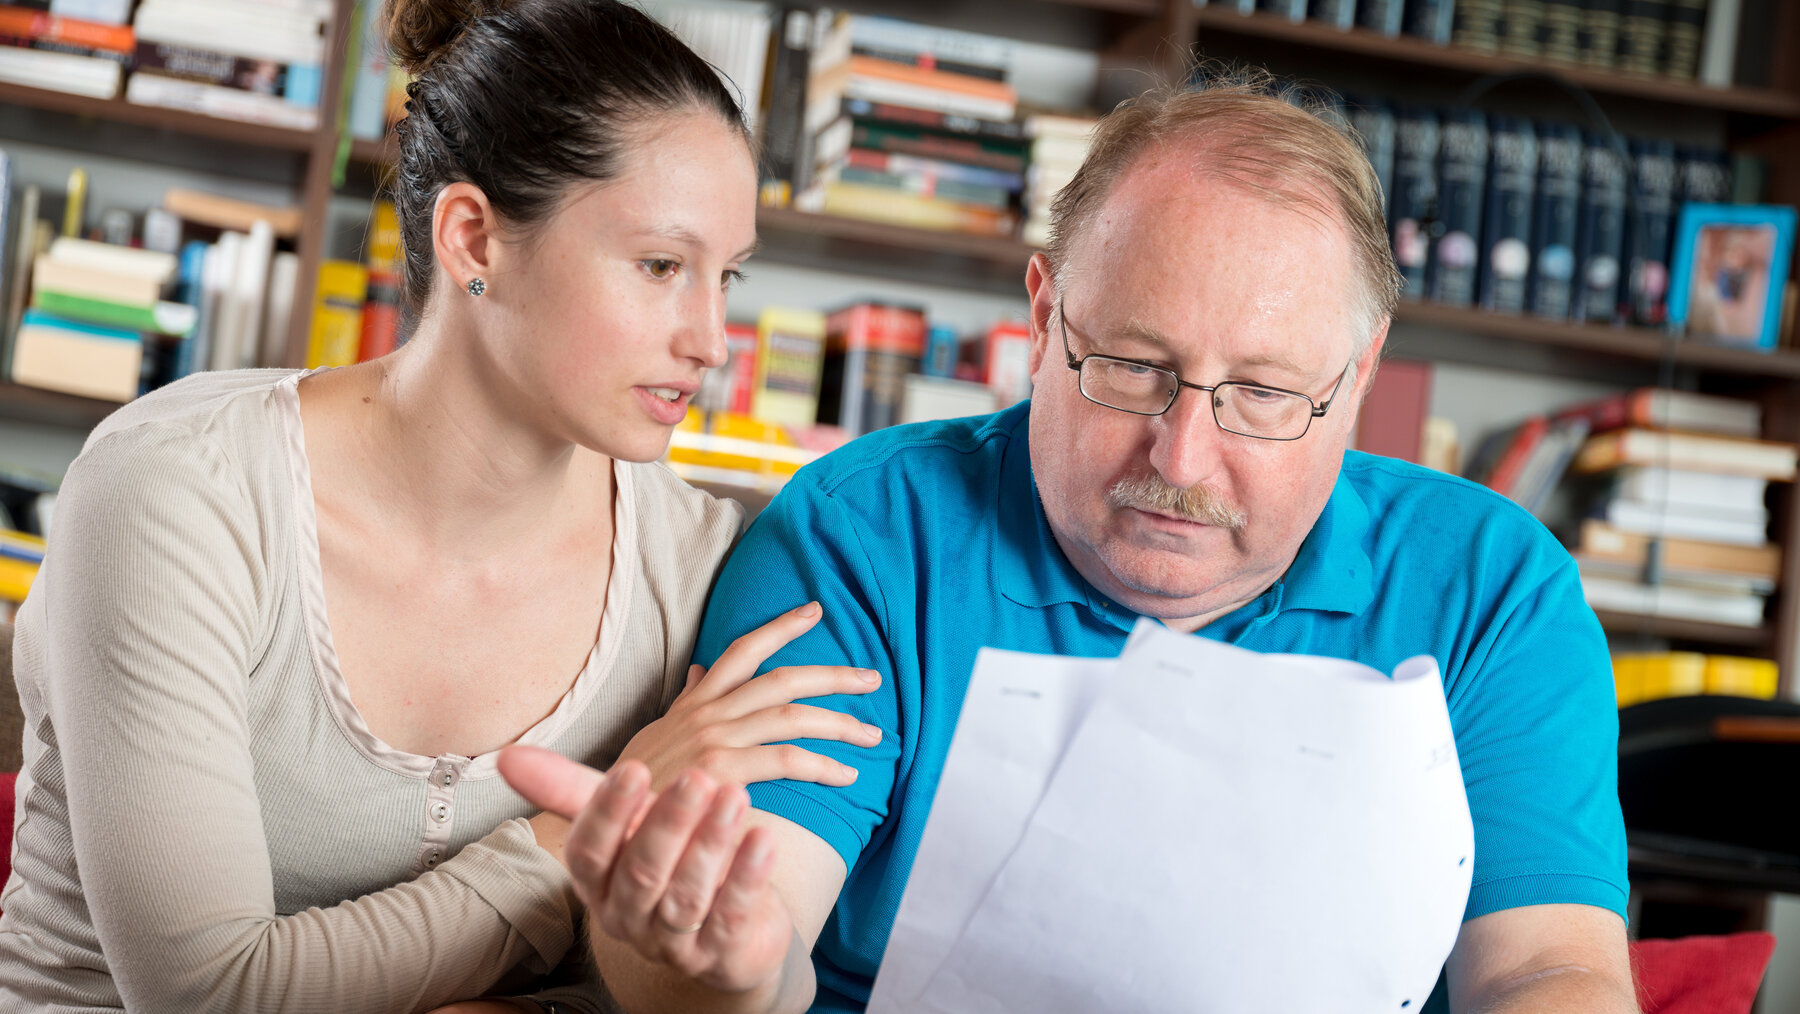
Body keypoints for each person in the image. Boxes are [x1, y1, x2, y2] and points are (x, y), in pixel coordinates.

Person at [505, 76, 1638, 1014]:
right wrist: (720, 966)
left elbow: (1548, 967)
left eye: (1262, 392)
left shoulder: (1494, 589)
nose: (1182, 457)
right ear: (1043, 317)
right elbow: (748, 923)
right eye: (1135, 368)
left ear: (1359, 377)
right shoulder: (869, 535)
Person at [0, 2, 882, 1011]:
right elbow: (211, 995)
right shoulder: (179, 492)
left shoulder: (700, 567)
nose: (714, 339)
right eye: (660, 267)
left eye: (727, 278)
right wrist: (570, 842)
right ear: (473, 238)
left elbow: (733, 976)